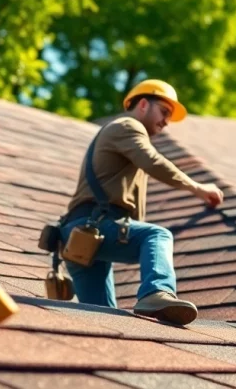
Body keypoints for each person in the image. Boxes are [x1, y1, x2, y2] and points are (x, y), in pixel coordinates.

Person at [60, 79, 224, 325]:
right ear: (144, 104)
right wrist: (198, 188)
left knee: (103, 322)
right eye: (164, 112)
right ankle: (156, 292)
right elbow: (153, 162)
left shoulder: (118, 136)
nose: (166, 121)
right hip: (95, 228)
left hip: (78, 240)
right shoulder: (128, 125)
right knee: (157, 236)